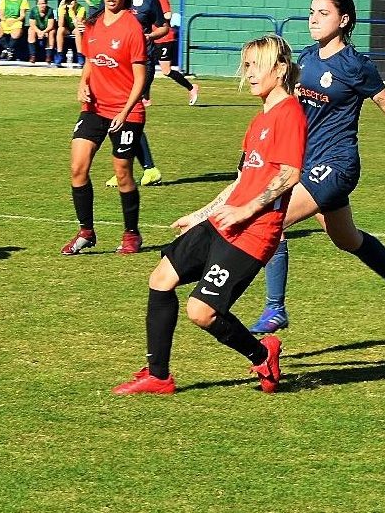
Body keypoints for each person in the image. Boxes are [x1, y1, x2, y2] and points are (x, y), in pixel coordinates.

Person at [113, 35, 301, 395]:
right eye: (247, 66)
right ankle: (158, 376)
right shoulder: (258, 120)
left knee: (201, 311)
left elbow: (289, 174)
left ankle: (262, 355)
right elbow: (242, 180)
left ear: (280, 70)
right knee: (161, 278)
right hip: (223, 222)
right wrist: (203, 214)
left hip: (253, 233)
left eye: (257, 65)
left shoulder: (289, 114)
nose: (249, 73)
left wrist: (246, 210)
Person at [249, 0, 385, 334]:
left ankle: (275, 308)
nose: (313, 19)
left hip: (337, 165)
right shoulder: (306, 58)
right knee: (345, 238)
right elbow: (289, 109)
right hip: (305, 163)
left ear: (344, 20)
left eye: (323, 13)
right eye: (311, 12)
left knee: (272, 220)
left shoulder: (356, 65)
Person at [62, 0, 149, 256]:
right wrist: (81, 84)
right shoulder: (93, 23)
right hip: (94, 108)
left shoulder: (132, 28)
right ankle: (86, 231)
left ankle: (131, 233)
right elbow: (90, 61)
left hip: (126, 112)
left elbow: (140, 79)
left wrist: (124, 112)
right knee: (77, 167)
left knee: (122, 172)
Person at [104, 0, 166, 188]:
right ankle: (131, 168)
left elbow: (163, 27)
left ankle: (143, 168)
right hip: (116, 65)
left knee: (128, 114)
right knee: (116, 114)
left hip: (141, 63)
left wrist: (148, 36)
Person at [144, 0, 198, 105]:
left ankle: (191, 87)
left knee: (166, 71)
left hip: (163, 38)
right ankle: (146, 98)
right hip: (151, 38)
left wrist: (155, 17)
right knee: (147, 67)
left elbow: (168, 15)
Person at [57, 0, 86, 66]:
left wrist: (71, 10)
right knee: (60, 30)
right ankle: (59, 54)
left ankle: (80, 55)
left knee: (78, 31)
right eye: (68, 0)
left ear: (75, 1)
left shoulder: (81, 8)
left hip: (75, 28)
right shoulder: (62, 7)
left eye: (72, 0)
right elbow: (60, 25)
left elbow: (77, 25)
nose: (70, 2)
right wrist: (62, 10)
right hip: (66, 28)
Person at [29, 0, 57, 64]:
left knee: (52, 32)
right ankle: (32, 55)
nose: (42, 5)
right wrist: (39, 32)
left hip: (47, 29)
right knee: (31, 30)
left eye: (43, 3)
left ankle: (48, 56)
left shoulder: (50, 11)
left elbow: (51, 25)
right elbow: (32, 24)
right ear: (37, 4)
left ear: (46, 4)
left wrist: (44, 32)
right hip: (37, 29)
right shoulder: (33, 11)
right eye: (40, 4)